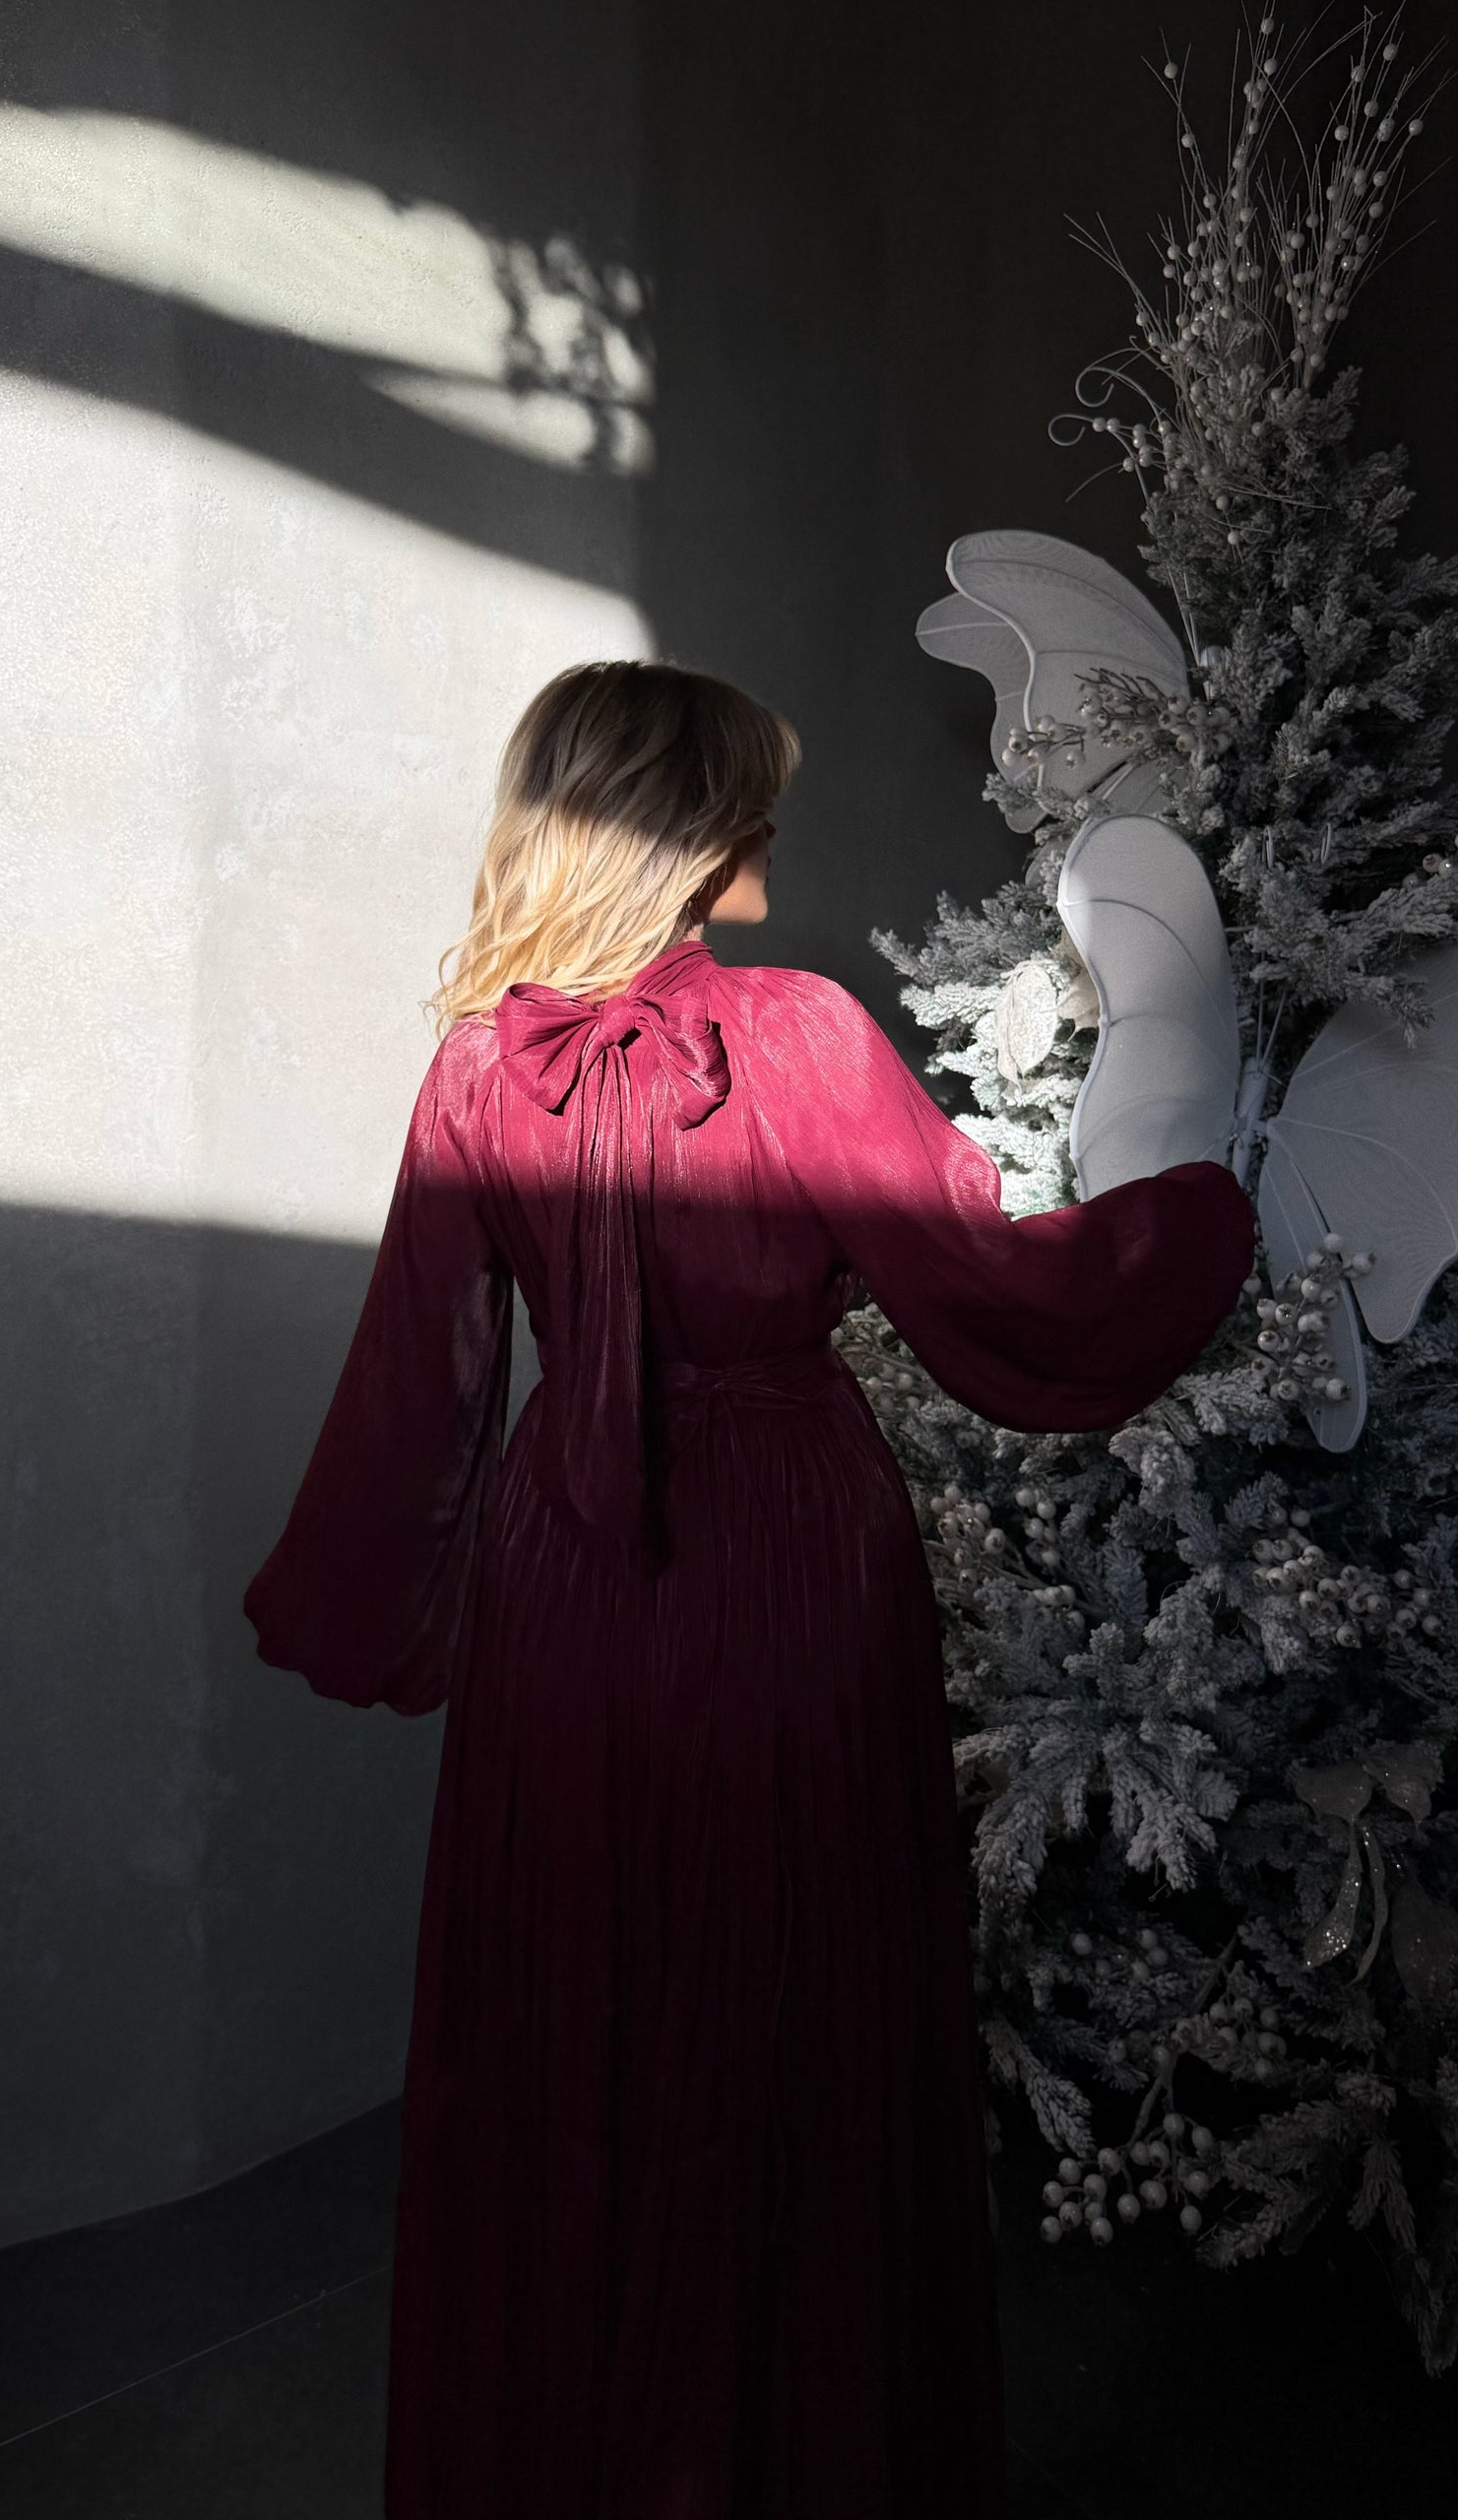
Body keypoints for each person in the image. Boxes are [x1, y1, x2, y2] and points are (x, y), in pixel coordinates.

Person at [244, 659, 1256, 2519]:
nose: (770, 822)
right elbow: (996, 1288)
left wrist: (373, 1590)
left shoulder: (474, 1062)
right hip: (792, 1556)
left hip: (566, 1577)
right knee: (795, 2006)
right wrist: (1191, 1203)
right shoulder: (797, 1034)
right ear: (687, 823)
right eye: (745, 793)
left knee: (577, 2010)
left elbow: (422, 1379)